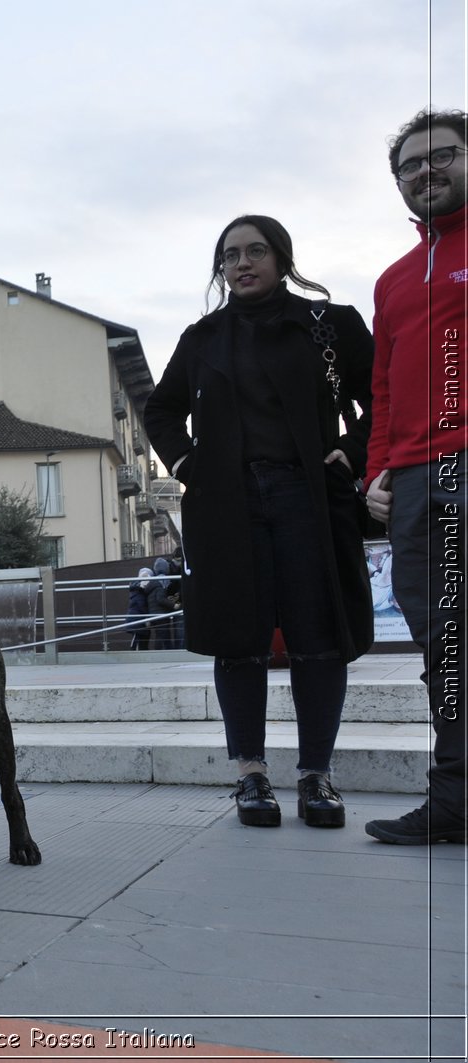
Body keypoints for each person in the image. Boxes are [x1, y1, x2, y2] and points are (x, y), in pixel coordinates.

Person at [145, 215, 374, 830]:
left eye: (255, 251)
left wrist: (352, 454)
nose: (241, 264)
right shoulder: (203, 338)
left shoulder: (331, 325)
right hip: (227, 503)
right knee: (237, 640)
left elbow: (385, 396)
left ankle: (315, 777)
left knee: (318, 638)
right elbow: (161, 408)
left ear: (282, 257)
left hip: (312, 498)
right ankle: (250, 775)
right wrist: (190, 460)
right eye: (229, 256)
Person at [363, 109, 468, 846]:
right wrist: (377, 471)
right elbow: (385, 389)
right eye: (410, 165)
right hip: (411, 478)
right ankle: (454, 801)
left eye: (442, 157)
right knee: (443, 645)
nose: (425, 171)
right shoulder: (394, 279)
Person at [127, 567, 156, 650]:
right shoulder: (139, 591)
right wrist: (147, 618)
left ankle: (140, 652)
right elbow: (141, 605)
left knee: (142, 638)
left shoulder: (137, 590)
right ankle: (133, 653)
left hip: (138, 618)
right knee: (138, 638)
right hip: (138, 619)